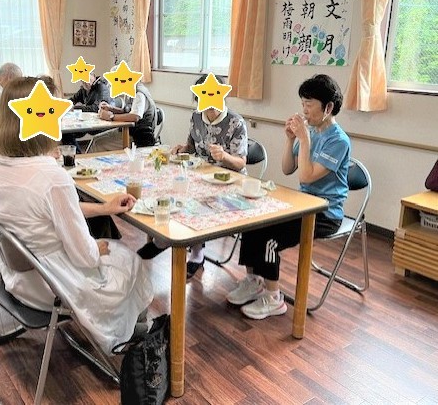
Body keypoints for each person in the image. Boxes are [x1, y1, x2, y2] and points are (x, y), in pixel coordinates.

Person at [0, 76, 153, 353]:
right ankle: (123, 335)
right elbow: (85, 255)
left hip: (16, 279)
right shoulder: (51, 177)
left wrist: (104, 208)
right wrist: (95, 247)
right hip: (54, 286)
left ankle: (126, 326)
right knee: (131, 261)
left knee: (115, 255)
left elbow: (47, 214)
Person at [227, 74, 350, 320]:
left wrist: (303, 139)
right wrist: (290, 139)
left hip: (325, 212)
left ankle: (274, 298)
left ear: (328, 108)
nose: (304, 110)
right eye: (302, 103)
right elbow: (287, 168)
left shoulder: (338, 141)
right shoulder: (311, 132)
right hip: (302, 204)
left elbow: (306, 177)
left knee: (270, 239)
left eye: (309, 104)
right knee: (252, 222)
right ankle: (254, 281)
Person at [138, 74, 248, 280]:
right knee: (170, 186)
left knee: (193, 198)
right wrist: (183, 148)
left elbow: (241, 162)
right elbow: (192, 145)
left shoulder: (235, 122)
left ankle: (192, 252)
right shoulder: (197, 116)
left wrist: (224, 156)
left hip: (228, 181)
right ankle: (166, 237)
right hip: (199, 174)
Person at [96, 80, 157, 148]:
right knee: (96, 139)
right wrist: (111, 108)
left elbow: (135, 117)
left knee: (97, 143)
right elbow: (128, 111)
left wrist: (111, 117)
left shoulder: (139, 94)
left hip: (139, 137)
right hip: (128, 131)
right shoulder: (131, 90)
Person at [62, 72, 111, 150]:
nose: (86, 83)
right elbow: (72, 100)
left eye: (88, 79)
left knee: (67, 133)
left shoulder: (102, 87)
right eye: (83, 80)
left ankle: (77, 154)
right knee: (65, 132)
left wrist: (75, 108)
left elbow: (97, 108)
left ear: (93, 76)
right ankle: (76, 154)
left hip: (101, 122)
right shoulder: (84, 89)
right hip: (88, 121)